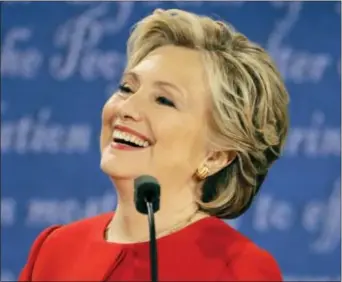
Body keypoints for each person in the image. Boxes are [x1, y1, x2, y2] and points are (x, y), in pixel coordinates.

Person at [19, 8, 289, 281]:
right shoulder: (54, 248)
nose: (127, 107)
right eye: (127, 88)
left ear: (217, 155)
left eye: (164, 100)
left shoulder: (241, 270)